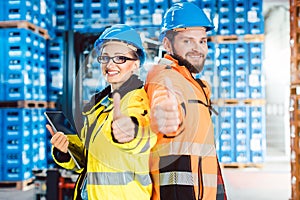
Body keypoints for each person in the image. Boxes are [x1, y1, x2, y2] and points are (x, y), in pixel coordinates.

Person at [46, 24, 156, 200]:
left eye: (120, 58)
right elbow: (89, 161)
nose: (110, 64)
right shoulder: (99, 107)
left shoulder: (137, 101)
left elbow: (139, 133)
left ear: (136, 64)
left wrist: (128, 131)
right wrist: (65, 150)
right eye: (105, 57)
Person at [145, 2, 227, 200]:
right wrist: (163, 115)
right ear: (167, 44)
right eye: (187, 41)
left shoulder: (196, 84)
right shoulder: (164, 77)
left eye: (202, 41)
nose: (197, 48)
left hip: (203, 191)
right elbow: (162, 101)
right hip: (179, 194)